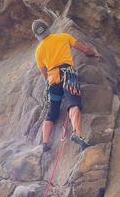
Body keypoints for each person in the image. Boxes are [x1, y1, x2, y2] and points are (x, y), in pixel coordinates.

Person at [32, 19, 100, 151]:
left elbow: (44, 74)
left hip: (53, 81)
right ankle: (77, 133)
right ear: (47, 28)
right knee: (74, 103)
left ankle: (45, 142)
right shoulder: (63, 36)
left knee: (52, 112)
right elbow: (85, 49)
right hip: (67, 75)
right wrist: (94, 53)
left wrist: (50, 83)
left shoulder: (38, 51)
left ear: (37, 35)